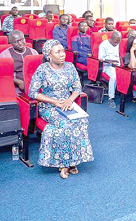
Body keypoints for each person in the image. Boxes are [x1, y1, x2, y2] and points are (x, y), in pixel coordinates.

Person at [27, 40, 94, 179]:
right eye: (58, 52)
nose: (63, 54)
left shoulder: (70, 67)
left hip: (67, 104)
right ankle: (64, 163)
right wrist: (55, 102)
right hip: (49, 105)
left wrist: (70, 100)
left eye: (63, 51)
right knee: (65, 123)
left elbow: (77, 87)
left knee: (82, 120)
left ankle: (73, 160)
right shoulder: (43, 69)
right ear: (49, 55)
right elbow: (33, 93)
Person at [98, 31, 121, 108]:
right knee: (114, 76)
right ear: (111, 38)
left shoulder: (118, 44)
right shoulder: (104, 44)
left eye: (118, 42)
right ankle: (111, 97)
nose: (116, 44)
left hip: (119, 64)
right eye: (115, 42)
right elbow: (101, 59)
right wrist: (111, 63)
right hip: (108, 66)